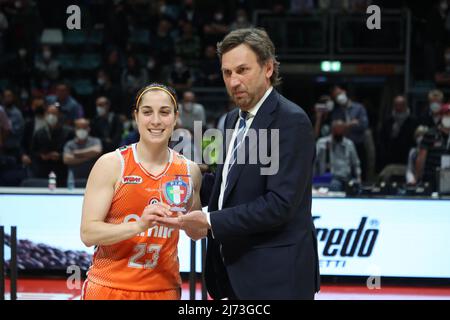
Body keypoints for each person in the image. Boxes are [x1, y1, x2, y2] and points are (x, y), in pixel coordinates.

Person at [157, 28, 320, 300]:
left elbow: (279, 204)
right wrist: (183, 175)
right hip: (234, 273)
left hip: (277, 280)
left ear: (268, 68)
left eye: (242, 70)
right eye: (227, 73)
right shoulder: (234, 119)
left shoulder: (291, 120)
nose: (233, 81)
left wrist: (209, 221)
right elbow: (228, 188)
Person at [80, 83, 202, 300]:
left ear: (175, 118)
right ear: (136, 117)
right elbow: (88, 234)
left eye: (164, 112)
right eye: (147, 112)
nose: (156, 121)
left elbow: (197, 233)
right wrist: (139, 225)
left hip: (163, 289)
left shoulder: (189, 171)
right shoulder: (111, 164)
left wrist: (188, 222)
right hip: (109, 288)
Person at [315, 120, 361, 191]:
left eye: (342, 131)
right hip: (327, 179)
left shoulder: (349, 144)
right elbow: (313, 162)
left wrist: (358, 178)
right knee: (335, 185)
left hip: (346, 178)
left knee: (356, 187)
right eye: (337, 131)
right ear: (332, 130)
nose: (339, 133)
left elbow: (356, 164)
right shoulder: (322, 143)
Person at [63, 118, 102, 182]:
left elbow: (97, 151)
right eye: (79, 128)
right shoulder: (69, 144)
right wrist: (88, 158)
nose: (81, 130)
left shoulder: (95, 141)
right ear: (75, 129)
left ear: (88, 129)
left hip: (92, 179)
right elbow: (67, 159)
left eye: (84, 128)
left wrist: (77, 153)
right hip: (73, 180)